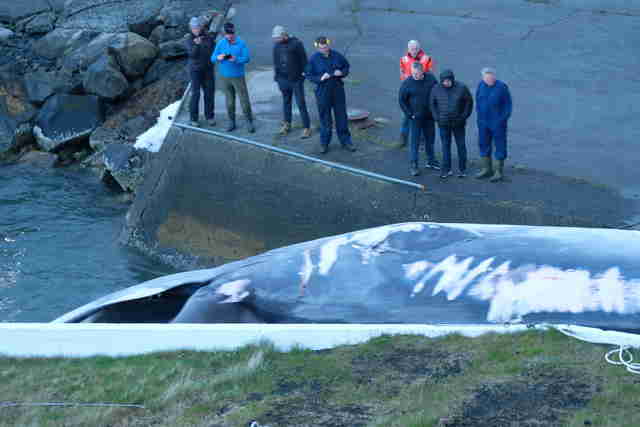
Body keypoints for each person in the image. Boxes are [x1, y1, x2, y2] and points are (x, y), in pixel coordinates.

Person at [304, 36, 355, 154]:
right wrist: (320, 78)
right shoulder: (313, 59)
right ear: (317, 47)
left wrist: (341, 72)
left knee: (341, 116)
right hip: (322, 92)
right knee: (325, 118)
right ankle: (324, 143)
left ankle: (346, 141)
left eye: (326, 47)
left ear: (328, 45)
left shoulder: (337, 55)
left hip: (337, 90)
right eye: (322, 48)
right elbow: (308, 75)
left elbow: (346, 66)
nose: (325, 49)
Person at [430, 69, 474, 179]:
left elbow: (469, 103)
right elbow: (432, 104)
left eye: (448, 81)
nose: (446, 83)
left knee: (461, 146)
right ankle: (446, 169)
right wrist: (437, 118)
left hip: (458, 124)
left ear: (452, 80)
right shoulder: (436, 89)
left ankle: (462, 169)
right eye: (444, 81)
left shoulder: (462, 88)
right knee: (445, 147)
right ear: (441, 81)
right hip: (443, 124)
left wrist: (463, 117)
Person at [212, 22, 254, 133]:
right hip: (225, 77)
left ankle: (249, 121)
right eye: (227, 33)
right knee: (229, 101)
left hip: (238, 77)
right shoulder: (221, 43)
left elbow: (247, 58)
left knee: (244, 100)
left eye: (231, 33)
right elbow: (212, 58)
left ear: (234, 32)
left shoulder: (241, 43)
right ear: (224, 33)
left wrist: (236, 59)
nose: (229, 35)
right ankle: (231, 122)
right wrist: (218, 57)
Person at [398, 61, 438, 176]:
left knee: (430, 140)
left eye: (417, 73)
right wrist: (409, 114)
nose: (415, 75)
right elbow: (402, 100)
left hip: (429, 117)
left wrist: (436, 111)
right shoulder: (407, 83)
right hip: (415, 119)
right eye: (413, 73)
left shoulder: (431, 79)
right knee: (414, 142)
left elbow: (437, 94)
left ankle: (431, 161)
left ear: (422, 71)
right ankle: (414, 165)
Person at [272, 25, 312, 139]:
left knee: (301, 103)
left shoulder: (296, 44)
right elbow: (276, 62)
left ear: (284, 35)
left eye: (277, 38)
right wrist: (278, 78)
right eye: (275, 38)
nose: (276, 40)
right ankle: (287, 124)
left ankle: (306, 128)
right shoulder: (276, 46)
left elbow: (304, 60)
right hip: (283, 80)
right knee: (286, 102)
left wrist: (303, 75)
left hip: (296, 80)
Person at [475, 67, 512, 182]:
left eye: (491, 77)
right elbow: (477, 101)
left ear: (494, 77)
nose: (489, 80)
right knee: (483, 143)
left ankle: (498, 171)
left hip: (497, 123)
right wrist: (479, 117)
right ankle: (487, 169)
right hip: (483, 122)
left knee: (500, 145)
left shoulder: (502, 87)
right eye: (486, 78)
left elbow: (508, 105)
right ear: (483, 78)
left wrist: (502, 120)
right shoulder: (480, 86)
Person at [399, 40, 435, 149]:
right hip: (409, 92)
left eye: (415, 48)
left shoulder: (426, 59)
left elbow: (429, 75)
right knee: (406, 117)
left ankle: (422, 142)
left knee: (422, 118)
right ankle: (403, 139)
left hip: (421, 92)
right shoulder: (403, 59)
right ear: (408, 49)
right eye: (411, 49)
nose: (413, 51)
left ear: (419, 48)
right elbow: (402, 73)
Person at [185, 16, 217, 127]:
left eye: (197, 27)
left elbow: (214, 49)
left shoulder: (208, 36)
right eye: (194, 28)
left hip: (208, 69)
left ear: (201, 27)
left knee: (209, 93)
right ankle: (194, 119)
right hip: (195, 71)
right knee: (196, 94)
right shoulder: (189, 39)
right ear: (191, 28)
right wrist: (197, 45)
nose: (196, 29)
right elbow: (192, 54)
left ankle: (210, 117)